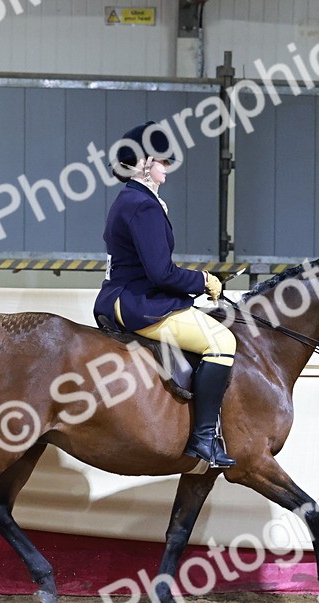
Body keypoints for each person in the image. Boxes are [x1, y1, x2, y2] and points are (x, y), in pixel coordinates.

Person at [93, 121, 237, 468]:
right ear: (144, 162)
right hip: (136, 303)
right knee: (223, 343)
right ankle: (203, 439)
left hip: (125, 295)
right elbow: (161, 273)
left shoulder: (132, 199)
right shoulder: (142, 205)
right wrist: (203, 280)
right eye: (162, 161)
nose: (168, 167)